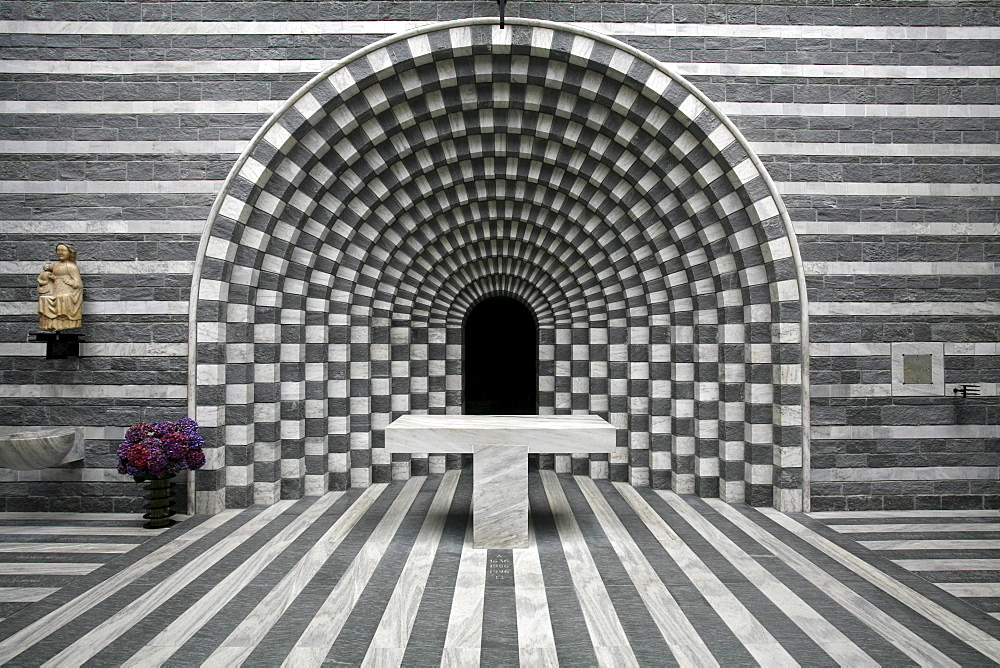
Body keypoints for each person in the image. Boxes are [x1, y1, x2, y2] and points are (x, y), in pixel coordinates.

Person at [37, 243, 82, 330]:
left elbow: (78, 283)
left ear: (69, 253)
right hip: (54, 291)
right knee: (44, 299)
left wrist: (70, 282)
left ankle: (64, 321)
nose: (60, 253)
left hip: (66, 292)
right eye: (58, 250)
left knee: (63, 299)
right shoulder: (56, 266)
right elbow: (49, 272)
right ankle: (50, 323)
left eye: (63, 250)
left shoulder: (71, 266)